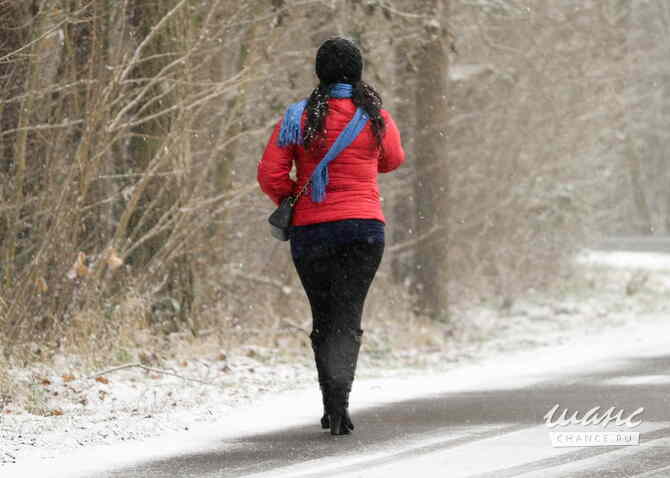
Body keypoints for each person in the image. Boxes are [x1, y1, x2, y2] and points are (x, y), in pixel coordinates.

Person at [257, 37, 405, 435]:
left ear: (318, 72)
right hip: (364, 228)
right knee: (348, 314)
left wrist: (293, 197)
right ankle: (341, 405)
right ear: (358, 72)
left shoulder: (298, 116)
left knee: (324, 316)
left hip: (312, 230)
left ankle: (331, 405)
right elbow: (393, 160)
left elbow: (270, 173)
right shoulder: (375, 115)